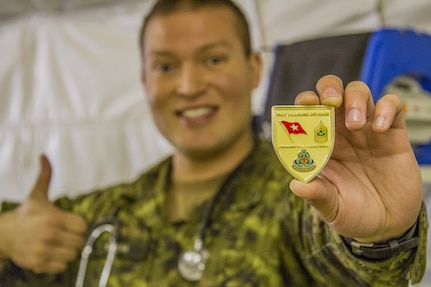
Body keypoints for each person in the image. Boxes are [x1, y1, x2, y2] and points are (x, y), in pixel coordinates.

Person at [0, 0, 427, 286]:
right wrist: (6, 235)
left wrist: (380, 238)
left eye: (214, 59)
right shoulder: (106, 213)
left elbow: (346, 258)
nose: (189, 86)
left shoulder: (306, 197)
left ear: (254, 68)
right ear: (145, 83)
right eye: (166, 66)